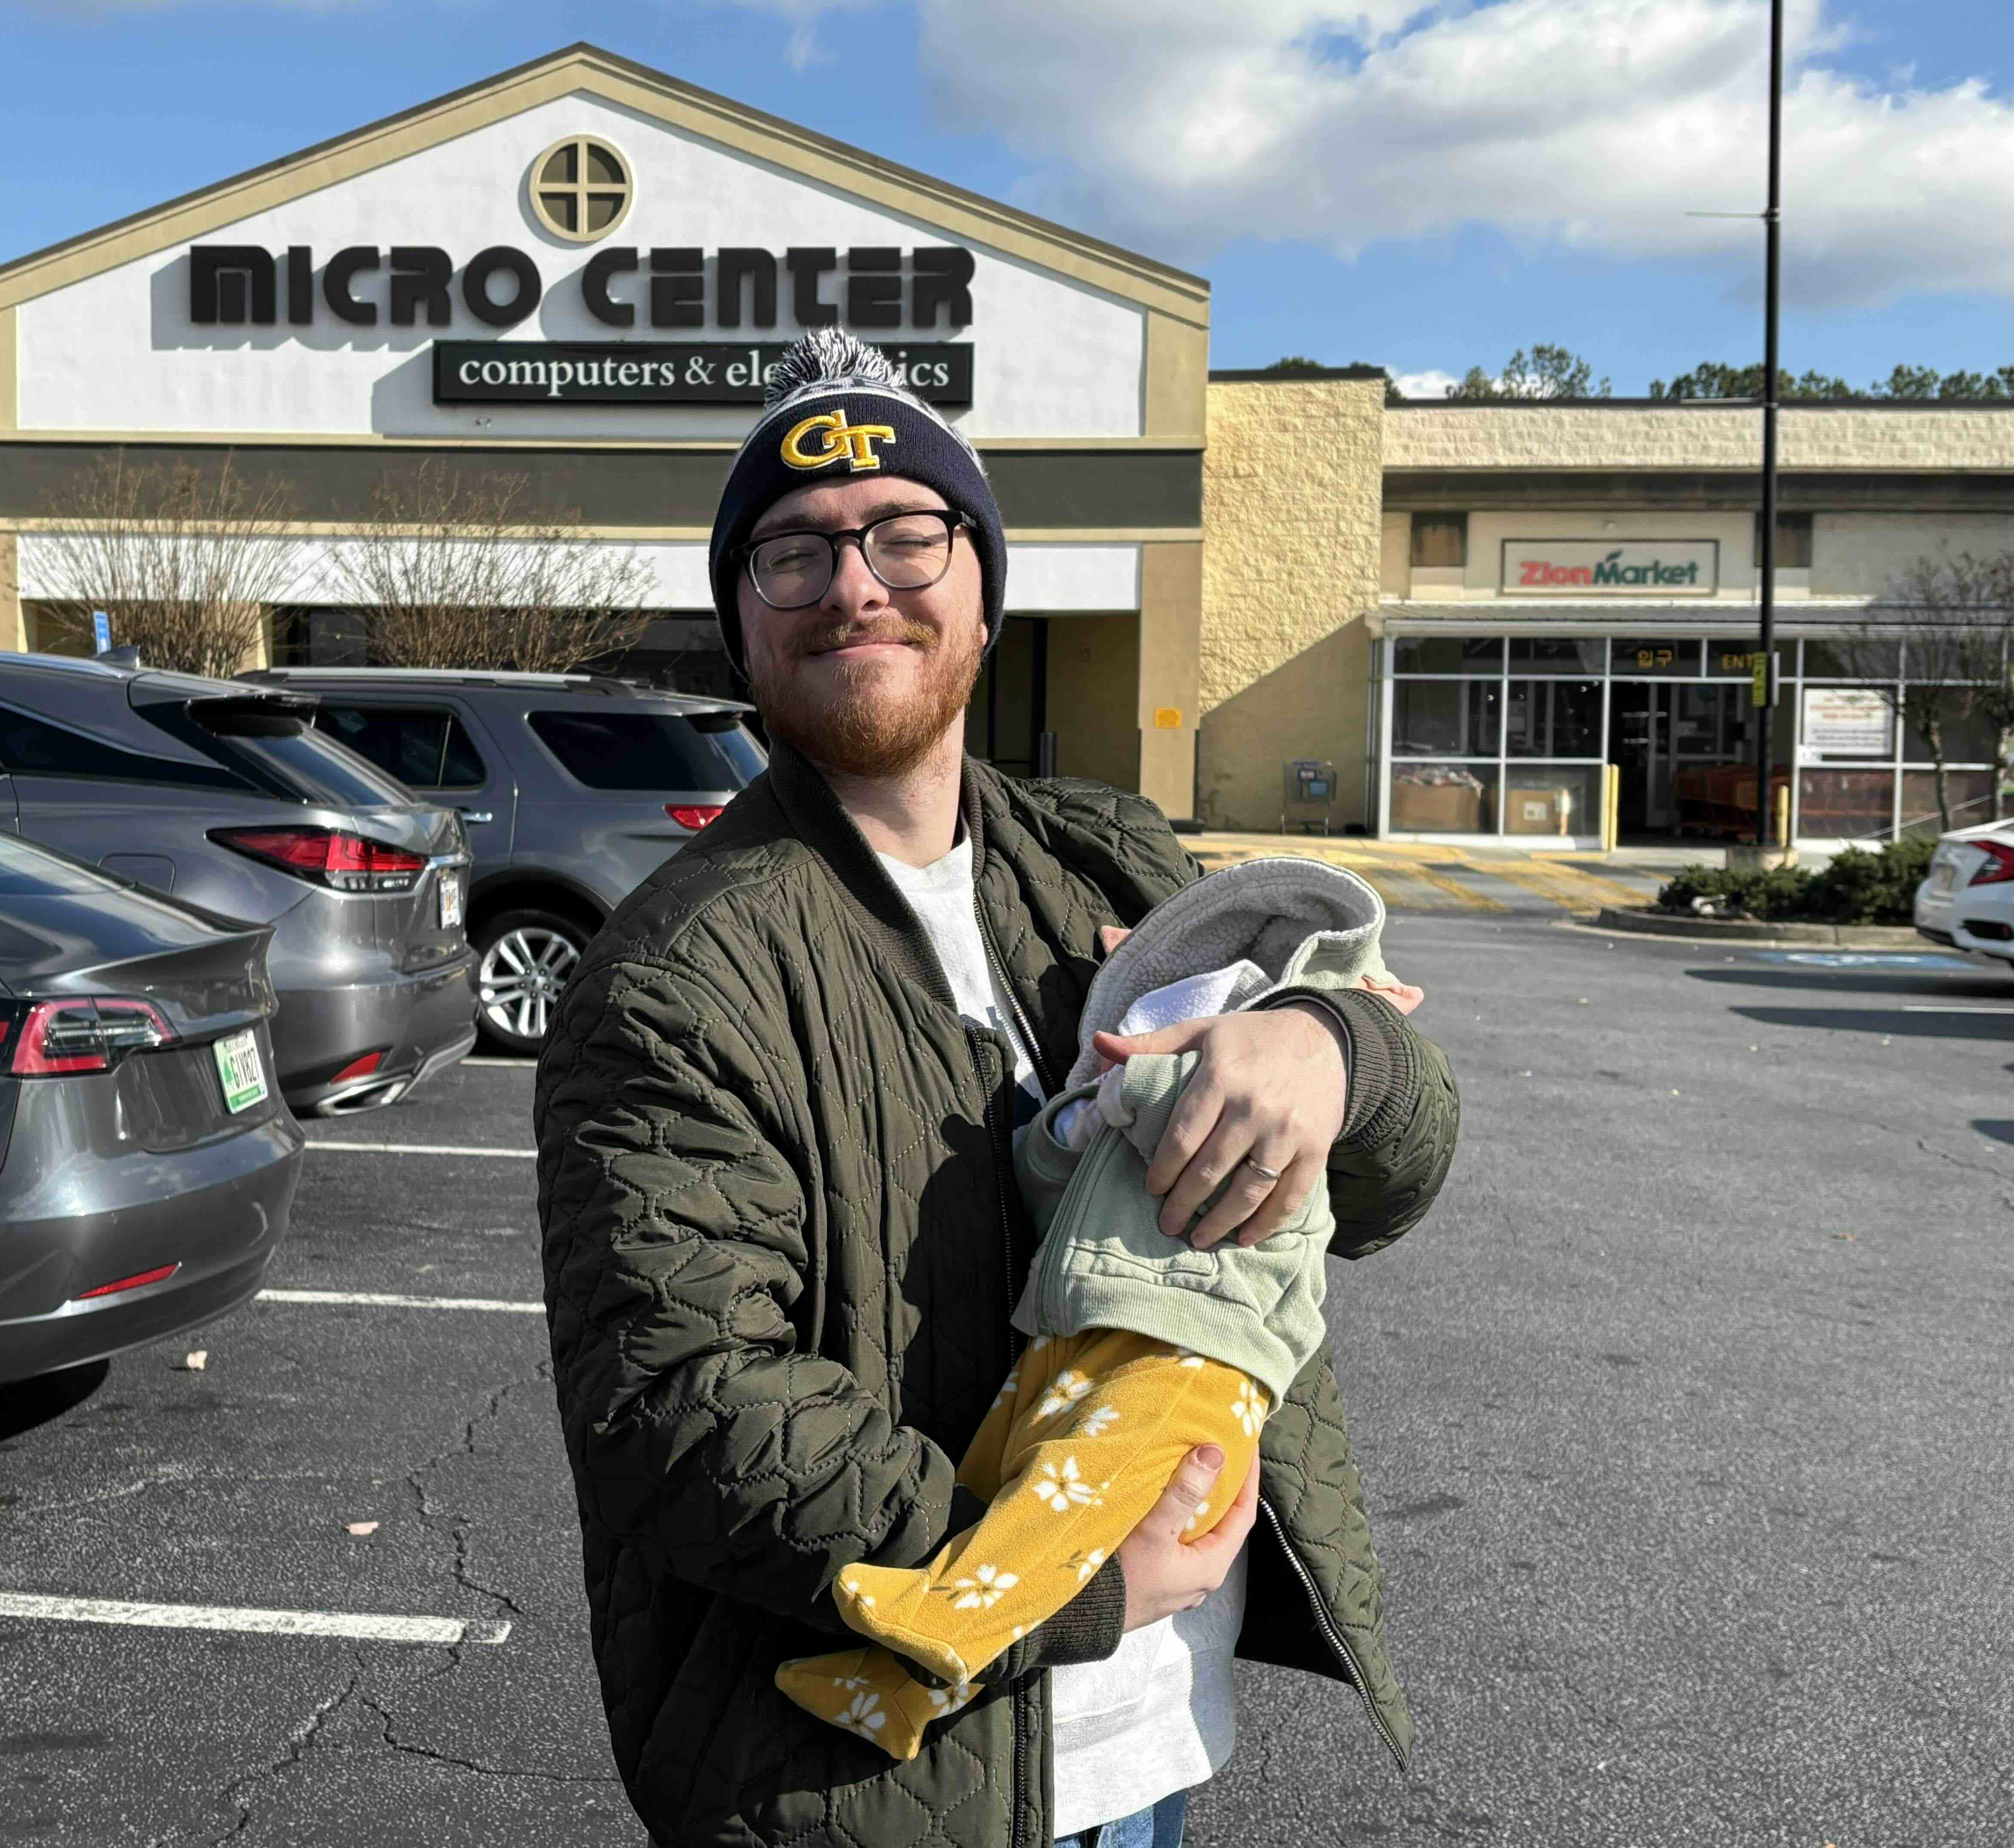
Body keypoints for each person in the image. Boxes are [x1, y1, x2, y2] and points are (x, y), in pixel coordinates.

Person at [535, 330, 1459, 1848]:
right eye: (791, 552)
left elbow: (1396, 1180)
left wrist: (1336, 1054)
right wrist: (1063, 1565)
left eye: (905, 530)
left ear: (981, 582)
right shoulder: (677, 974)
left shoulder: (1111, 860)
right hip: (870, 1784)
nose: (853, 582)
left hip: (1146, 1740)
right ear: (741, 621)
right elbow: (681, 1410)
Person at [774, 858, 1419, 1763]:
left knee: (1068, 1490)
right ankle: (898, 1687)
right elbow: (1043, 1181)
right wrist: (1069, 1126)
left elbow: (1228, 1120)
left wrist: (1292, 1047)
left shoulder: (1276, 1100)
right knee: (1000, 1474)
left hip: (1201, 1356)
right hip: (1080, 1329)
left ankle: (945, 1615)